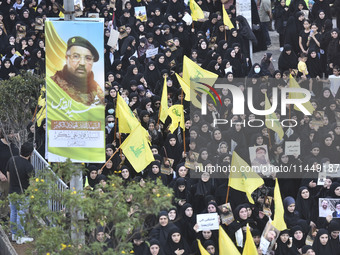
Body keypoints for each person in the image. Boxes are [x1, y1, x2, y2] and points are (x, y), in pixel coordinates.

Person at [51, 36, 104, 106]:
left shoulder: (97, 90)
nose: (82, 63)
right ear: (67, 59)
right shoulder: (52, 84)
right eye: (76, 56)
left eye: (88, 58)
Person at [6, 142, 34, 244]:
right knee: (21, 214)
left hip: (12, 190)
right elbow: (32, 182)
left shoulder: (12, 159)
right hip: (23, 193)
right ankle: (20, 236)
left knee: (13, 212)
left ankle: (14, 234)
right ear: (31, 154)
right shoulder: (29, 166)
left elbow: (8, 173)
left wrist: (11, 185)